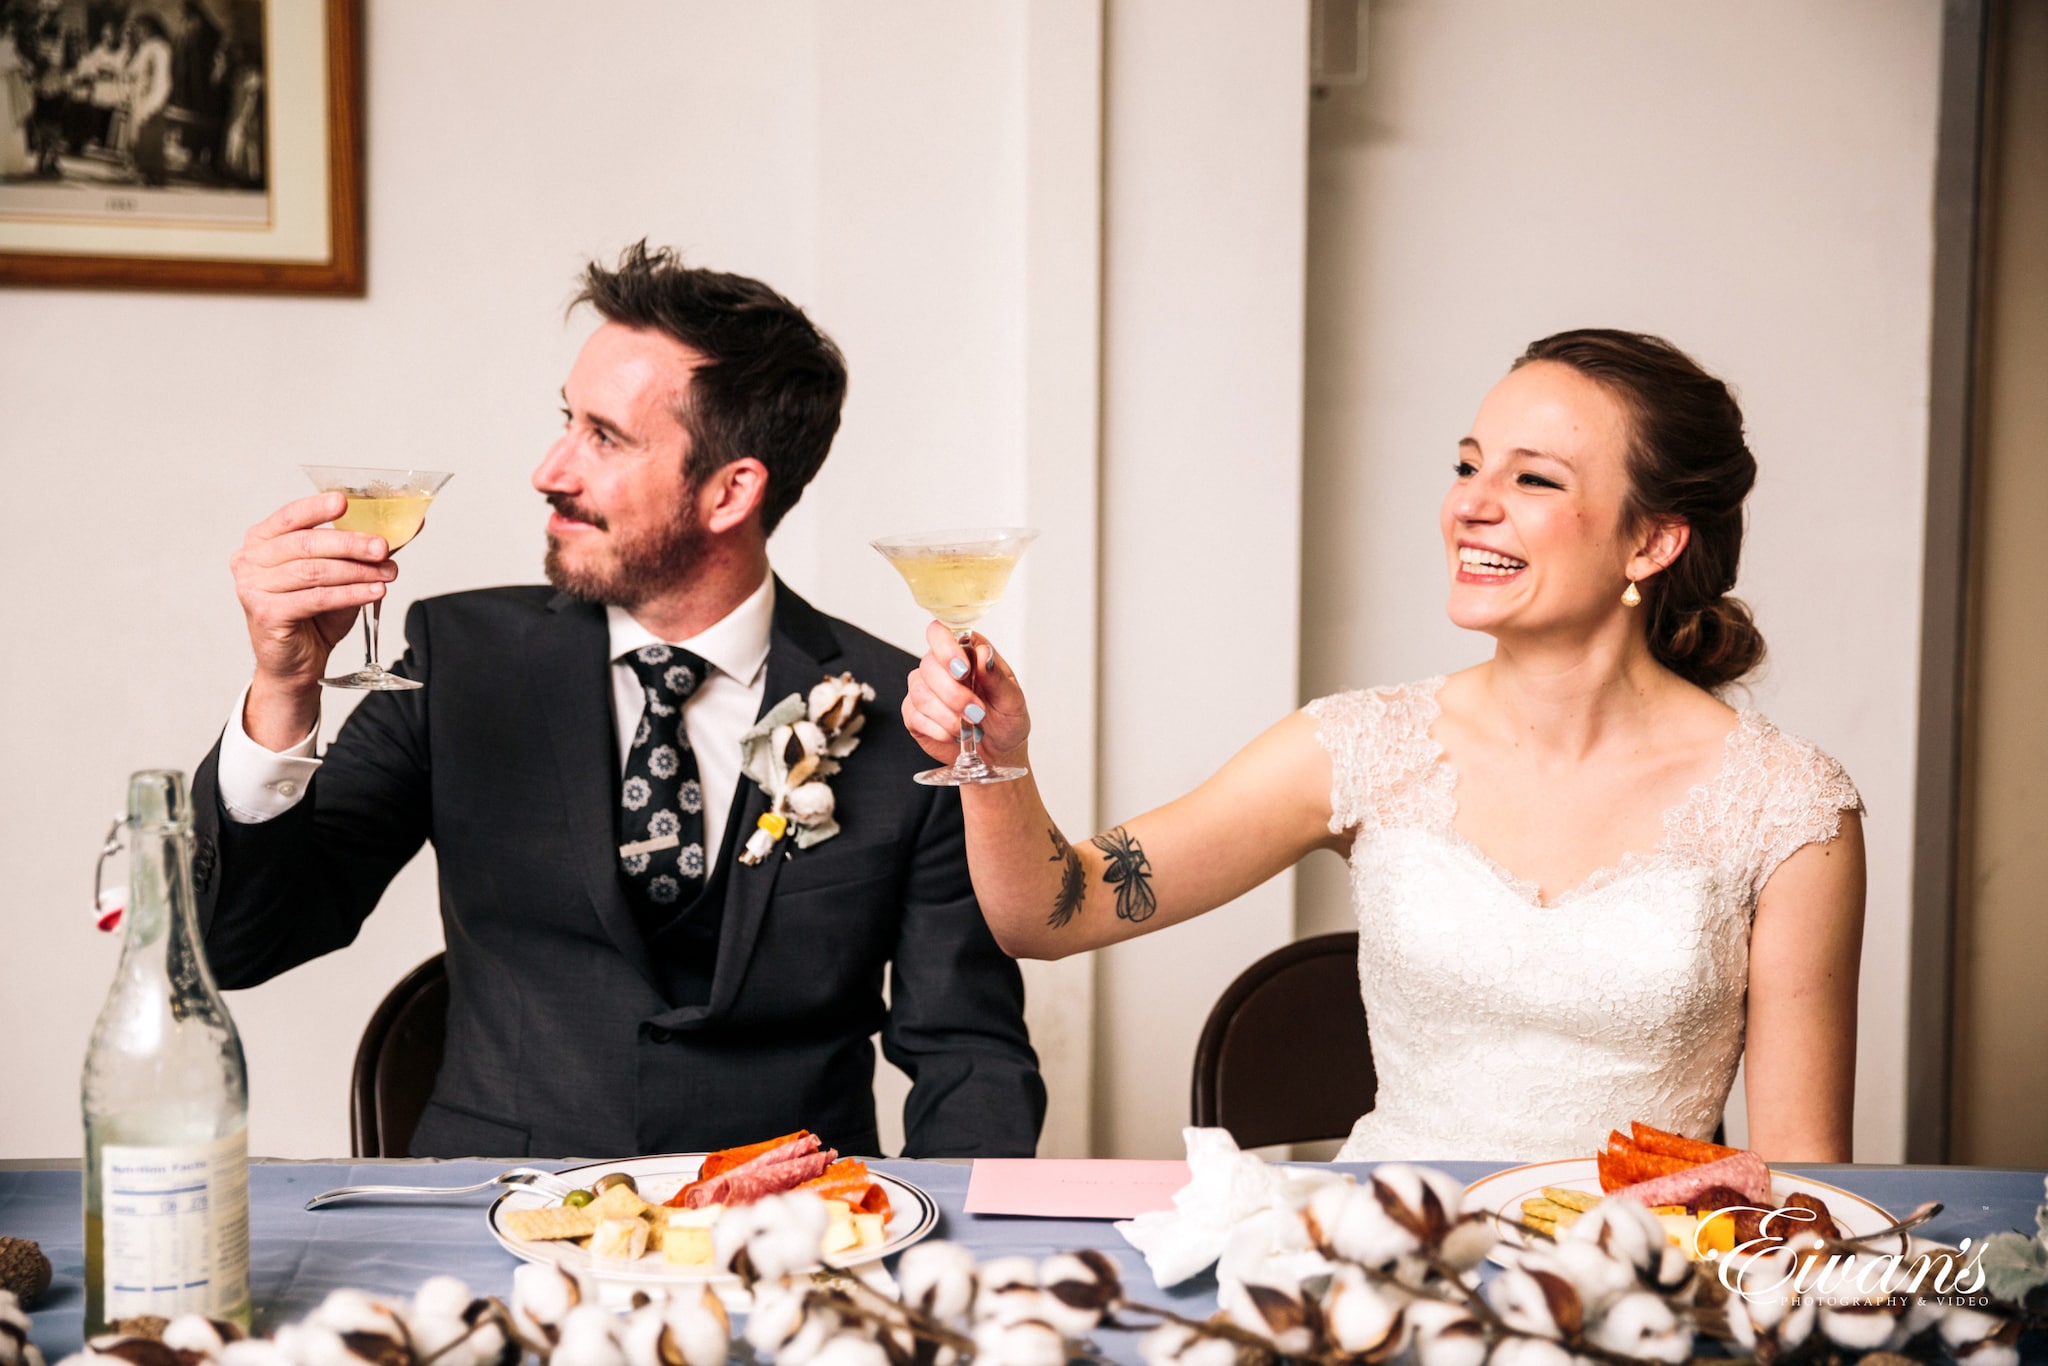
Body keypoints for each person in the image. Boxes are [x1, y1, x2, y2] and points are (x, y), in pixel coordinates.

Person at [903, 329, 1866, 1163]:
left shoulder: (1789, 806)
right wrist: (998, 756)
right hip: (1389, 1257)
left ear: (1651, 543)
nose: (1471, 505)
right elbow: (1052, 914)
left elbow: (1807, 1175)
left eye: (1532, 478)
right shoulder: (1359, 745)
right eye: (1466, 465)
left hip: (1647, 1285)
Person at [194, 242, 1046, 1160]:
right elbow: (243, 945)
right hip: (493, 1233)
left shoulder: (907, 711)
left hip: (796, 1242)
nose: (550, 470)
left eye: (603, 437)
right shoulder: (458, 661)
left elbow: (970, 1056)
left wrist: (929, 1257)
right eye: (568, 421)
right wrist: (283, 692)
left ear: (731, 491)